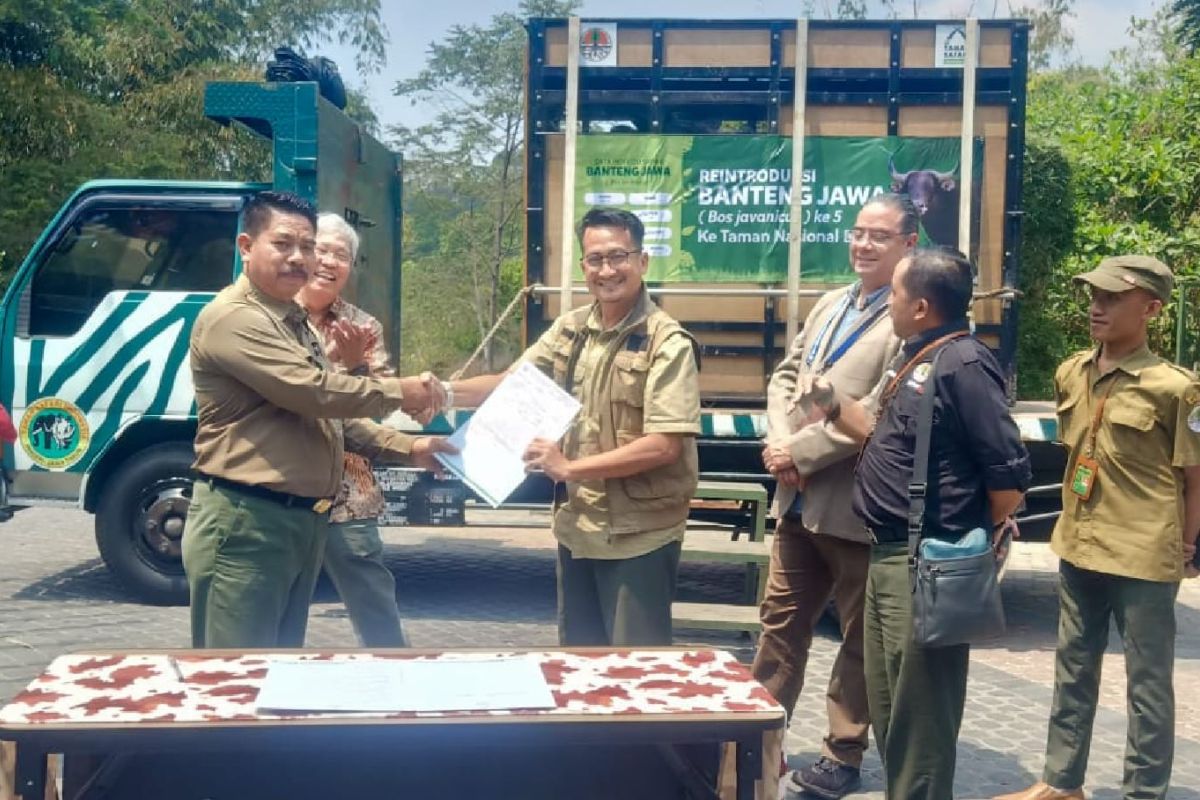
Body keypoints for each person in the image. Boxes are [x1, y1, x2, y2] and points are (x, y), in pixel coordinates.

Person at [793, 248, 1032, 800]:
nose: (888, 305)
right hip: (888, 554)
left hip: (926, 559)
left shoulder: (963, 365)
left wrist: (971, 536)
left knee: (922, 712)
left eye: (895, 295)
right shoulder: (920, 356)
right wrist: (829, 399)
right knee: (891, 705)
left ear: (921, 305)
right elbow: (875, 432)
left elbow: (1009, 476)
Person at [182, 190, 448, 649]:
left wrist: (412, 447)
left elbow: (330, 420)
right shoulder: (235, 318)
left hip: (299, 521)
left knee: (278, 671)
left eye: (309, 246)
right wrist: (401, 391)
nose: (301, 258)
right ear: (246, 247)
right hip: (248, 522)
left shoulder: (291, 320)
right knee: (232, 681)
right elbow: (314, 393)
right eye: (284, 244)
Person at [434, 206, 701, 646]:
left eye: (618, 256)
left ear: (642, 261)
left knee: (635, 670)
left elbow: (664, 445)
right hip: (580, 528)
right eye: (595, 259)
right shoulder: (572, 329)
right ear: (583, 266)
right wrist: (440, 392)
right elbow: (509, 385)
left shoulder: (665, 342)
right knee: (580, 664)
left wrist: (569, 469)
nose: (607, 270)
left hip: (639, 535)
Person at [994, 256, 1200, 800]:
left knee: (1147, 684)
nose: (1097, 306)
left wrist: (1184, 547)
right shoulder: (1073, 370)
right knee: (1072, 669)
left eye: (1112, 298)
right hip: (1080, 542)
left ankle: (1143, 792)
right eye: (1093, 295)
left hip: (1143, 552)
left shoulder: (1176, 389)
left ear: (1151, 308)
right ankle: (1062, 784)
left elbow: (1195, 479)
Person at [755, 195, 914, 799]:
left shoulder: (905, 316)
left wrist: (801, 452)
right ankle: (760, 734)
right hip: (794, 502)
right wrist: (779, 440)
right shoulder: (829, 303)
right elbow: (785, 376)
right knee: (779, 626)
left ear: (908, 245)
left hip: (852, 506)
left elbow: (877, 410)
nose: (864, 245)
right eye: (858, 233)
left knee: (856, 639)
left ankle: (841, 753)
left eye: (880, 236)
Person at [295, 212, 408, 648]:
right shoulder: (273, 318)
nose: (328, 261)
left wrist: (356, 364)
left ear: (349, 268)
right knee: (282, 599)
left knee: (372, 593)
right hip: (280, 478)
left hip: (347, 483)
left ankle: (395, 678)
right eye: (320, 249)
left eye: (340, 255)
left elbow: (377, 404)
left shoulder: (363, 327)